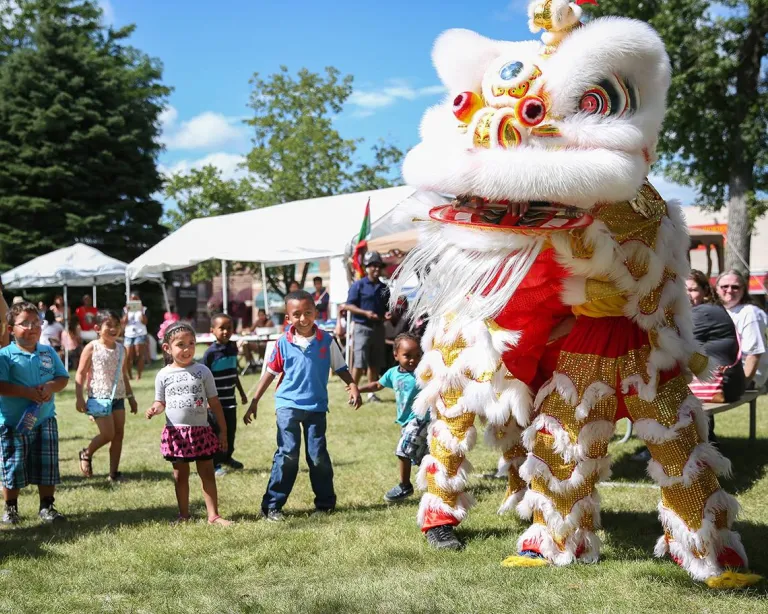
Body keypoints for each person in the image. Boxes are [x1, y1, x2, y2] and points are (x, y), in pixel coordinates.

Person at [243, 290, 362, 521]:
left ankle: (325, 504)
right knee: (287, 454)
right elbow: (269, 374)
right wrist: (255, 401)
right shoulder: (282, 343)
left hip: (316, 408)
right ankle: (272, 507)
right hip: (287, 406)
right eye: (296, 314)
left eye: (308, 313)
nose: (303, 318)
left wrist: (353, 385)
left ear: (316, 313)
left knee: (317, 456)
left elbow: (340, 368)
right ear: (288, 318)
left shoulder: (327, 341)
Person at [146, 322, 231, 525]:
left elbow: (215, 403)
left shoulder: (203, 371)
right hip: (177, 434)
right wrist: (154, 409)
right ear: (167, 348)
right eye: (181, 344)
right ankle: (184, 515)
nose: (187, 349)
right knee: (180, 476)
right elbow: (161, 402)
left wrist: (223, 431)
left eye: (191, 343)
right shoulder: (163, 375)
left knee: (207, 474)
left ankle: (213, 516)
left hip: (201, 432)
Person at [0, 301, 69, 524]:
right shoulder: (5, 356)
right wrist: (26, 393)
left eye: (36, 322)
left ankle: (47, 506)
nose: (32, 327)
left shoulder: (47, 352)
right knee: (13, 466)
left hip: (45, 419)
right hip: (13, 423)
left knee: (47, 465)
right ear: (10, 329)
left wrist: (49, 387)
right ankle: (11, 508)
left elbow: (62, 378)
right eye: (24, 323)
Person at [358, 332, 429, 502]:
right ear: (396, 355)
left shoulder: (424, 373)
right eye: (407, 356)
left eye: (417, 355)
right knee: (422, 456)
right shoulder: (392, 373)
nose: (413, 360)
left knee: (403, 451)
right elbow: (377, 384)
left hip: (420, 419)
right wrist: (358, 389)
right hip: (406, 422)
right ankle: (437, 484)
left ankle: (405, 486)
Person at [75, 310, 138, 481]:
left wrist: (131, 398)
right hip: (98, 398)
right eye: (108, 325)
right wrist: (80, 397)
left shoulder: (121, 349)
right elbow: (80, 373)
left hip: (118, 398)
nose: (113, 329)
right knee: (108, 434)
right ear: (97, 328)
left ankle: (113, 473)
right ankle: (86, 453)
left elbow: (123, 375)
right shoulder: (92, 347)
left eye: (116, 325)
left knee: (118, 435)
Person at [203, 314, 248, 476]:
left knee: (230, 431)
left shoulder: (233, 348)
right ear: (212, 331)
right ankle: (215, 463)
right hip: (215, 404)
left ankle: (227, 457)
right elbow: (203, 379)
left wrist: (241, 393)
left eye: (229, 328)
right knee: (216, 432)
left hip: (230, 401)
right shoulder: (210, 353)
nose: (225, 331)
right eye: (221, 328)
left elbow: (234, 372)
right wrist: (206, 400)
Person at [343, 251, 390, 401]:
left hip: (378, 327)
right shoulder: (359, 285)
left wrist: (387, 315)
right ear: (367, 267)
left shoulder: (384, 287)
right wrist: (365, 313)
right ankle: (353, 391)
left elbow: (387, 308)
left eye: (378, 266)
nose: (376, 269)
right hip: (362, 327)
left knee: (374, 362)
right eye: (373, 266)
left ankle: (371, 394)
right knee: (359, 361)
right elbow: (348, 306)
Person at [716, 269, 768, 390]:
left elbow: (754, 354)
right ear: (716, 289)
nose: (729, 290)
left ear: (743, 290)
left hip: (746, 377)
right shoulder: (717, 311)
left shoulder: (750, 313)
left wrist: (742, 386)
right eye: (725, 286)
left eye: (735, 287)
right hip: (723, 373)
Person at [122, 292, 148, 380]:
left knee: (139, 355)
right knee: (128, 356)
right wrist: (127, 312)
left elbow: (144, 322)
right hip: (129, 334)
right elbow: (123, 322)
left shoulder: (143, 309)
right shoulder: (126, 309)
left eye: (136, 299)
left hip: (140, 333)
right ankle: (130, 376)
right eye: (132, 299)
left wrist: (141, 311)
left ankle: (139, 375)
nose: (134, 301)